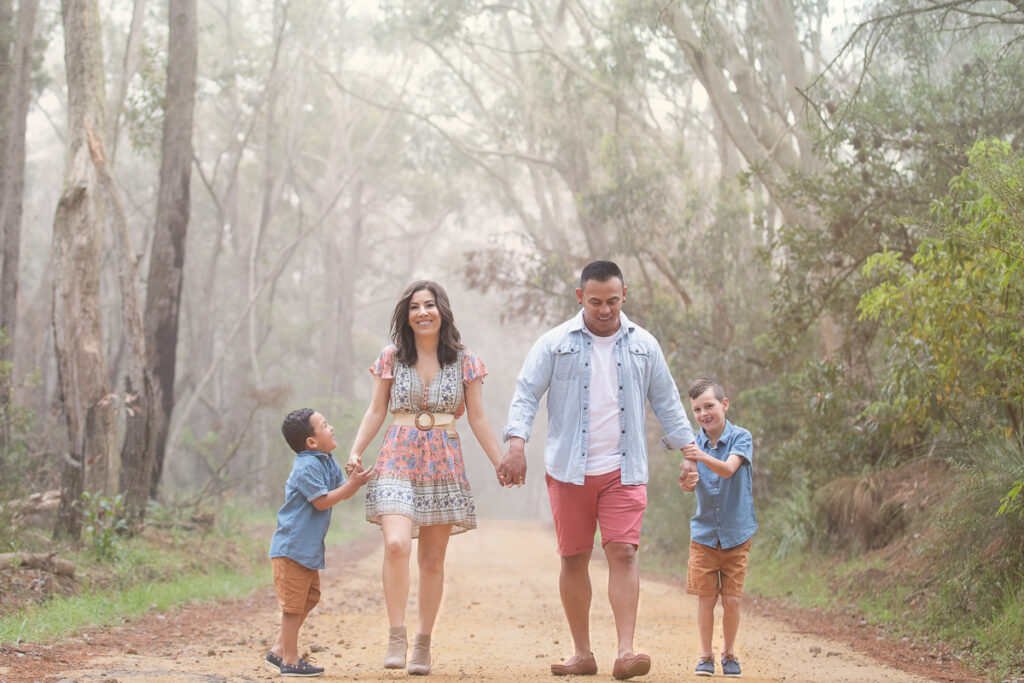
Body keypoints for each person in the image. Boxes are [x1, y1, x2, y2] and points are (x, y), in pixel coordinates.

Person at [499, 260, 696, 680]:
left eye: (612, 301)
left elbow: (667, 401)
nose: (604, 310)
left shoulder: (645, 345)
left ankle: (626, 652)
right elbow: (526, 394)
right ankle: (582, 654)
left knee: (623, 552)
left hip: (624, 469)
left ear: (624, 296)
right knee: (574, 558)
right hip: (568, 469)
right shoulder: (555, 343)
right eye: (595, 302)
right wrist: (516, 443)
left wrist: (689, 452)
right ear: (580, 298)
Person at [345, 280, 507, 676]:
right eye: (415, 307)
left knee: (432, 560)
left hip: (443, 462)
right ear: (406, 315)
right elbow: (376, 409)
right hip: (397, 457)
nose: (422, 313)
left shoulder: (466, 361)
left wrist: (500, 461)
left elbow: (479, 418)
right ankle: (396, 635)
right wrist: (355, 449)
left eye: (429, 305)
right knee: (396, 544)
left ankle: (423, 643)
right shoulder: (391, 357)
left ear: (442, 311)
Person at [267, 408, 370, 677]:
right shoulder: (306, 465)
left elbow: (341, 492)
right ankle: (290, 660)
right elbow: (322, 502)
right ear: (311, 441)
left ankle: (279, 649)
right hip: (291, 548)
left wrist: (353, 479)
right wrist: (352, 485)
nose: (331, 427)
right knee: (292, 607)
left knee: (310, 598)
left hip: (307, 549)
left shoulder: (326, 460)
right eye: (324, 425)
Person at [678, 377, 757, 678]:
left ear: (724, 405)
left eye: (709, 406)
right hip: (704, 535)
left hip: (737, 533)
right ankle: (705, 655)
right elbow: (688, 479)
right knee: (706, 598)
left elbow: (727, 469)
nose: (703, 414)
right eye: (697, 410)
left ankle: (729, 653)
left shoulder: (741, 437)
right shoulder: (692, 444)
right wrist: (687, 481)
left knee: (732, 599)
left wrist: (699, 456)